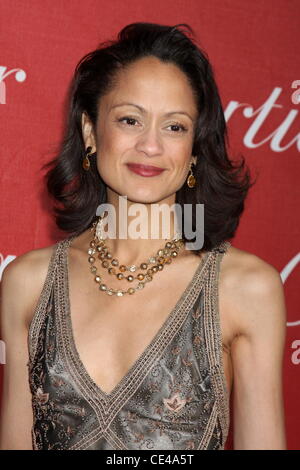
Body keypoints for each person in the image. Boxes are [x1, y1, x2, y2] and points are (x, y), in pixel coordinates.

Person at [0, 22, 287, 450]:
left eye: (175, 127)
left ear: (195, 148)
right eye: (130, 120)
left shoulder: (244, 288)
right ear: (90, 132)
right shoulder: (28, 283)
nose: (151, 146)